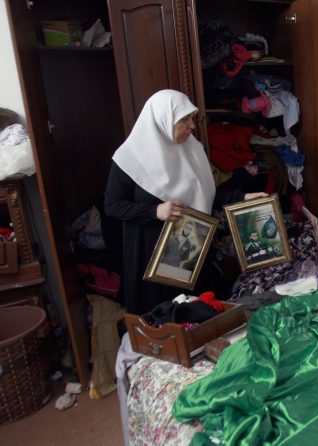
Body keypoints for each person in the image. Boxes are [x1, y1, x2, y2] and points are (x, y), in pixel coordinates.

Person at [105, 89, 265, 314]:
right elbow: (112, 206)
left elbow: (205, 193)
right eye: (184, 119)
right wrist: (154, 211)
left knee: (197, 312)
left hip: (191, 249)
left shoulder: (193, 150)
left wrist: (241, 197)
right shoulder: (128, 159)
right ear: (163, 119)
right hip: (151, 255)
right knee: (162, 317)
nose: (192, 125)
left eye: (191, 118)